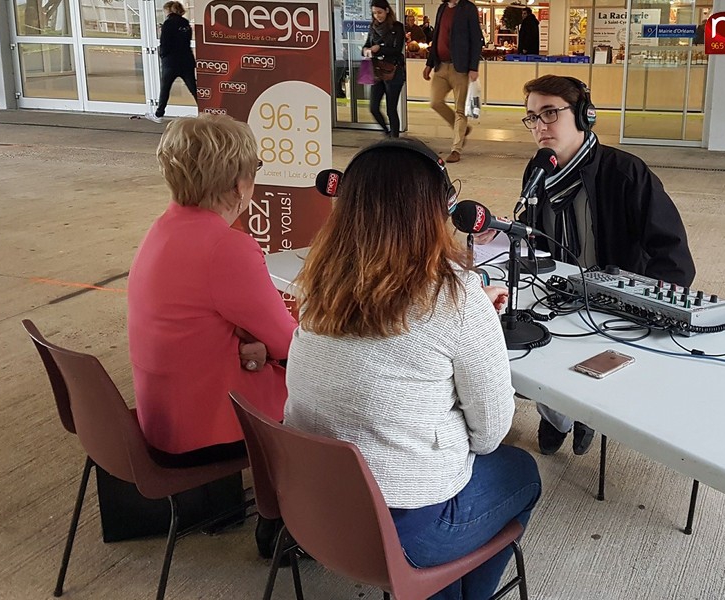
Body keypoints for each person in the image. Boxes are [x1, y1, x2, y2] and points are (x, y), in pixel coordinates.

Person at [284, 138, 541, 600]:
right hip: (405, 531)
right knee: (521, 470)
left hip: (315, 508)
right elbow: (490, 434)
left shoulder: (316, 281)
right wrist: (476, 322)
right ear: (437, 209)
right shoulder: (456, 298)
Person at [488, 75, 695, 456]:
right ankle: (557, 416)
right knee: (529, 350)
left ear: (585, 115)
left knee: (579, 369)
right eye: (532, 117)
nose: (539, 126)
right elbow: (536, 238)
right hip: (557, 295)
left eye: (550, 113)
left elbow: (674, 255)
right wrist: (504, 233)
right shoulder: (538, 172)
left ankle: (582, 416)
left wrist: (643, 308)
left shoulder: (625, 173)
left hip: (609, 306)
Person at [127, 114, 297, 552]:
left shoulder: (165, 227)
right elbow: (292, 345)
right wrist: (269, 344)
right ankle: (287, 524)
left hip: (164, 418)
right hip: (203, 430)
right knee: (335, 390)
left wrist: (254, 343)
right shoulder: (226, 247)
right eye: (255, 170)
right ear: (239, 185)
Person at [424, 0, 482, 163]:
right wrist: (429, 63)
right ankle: (463, 130)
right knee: (435, 102)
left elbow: (476, 39)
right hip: (441, 66)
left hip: (460, 68)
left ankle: (456, 149)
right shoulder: (442, 8)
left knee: (460, 110)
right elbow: (436, 37)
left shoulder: (468, 8)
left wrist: (473, 67)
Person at [145, 1, 196, 123]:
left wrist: (163, 55)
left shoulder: (168, 24)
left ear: (168, 10)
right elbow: (186, 41)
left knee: (165, 88)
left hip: (171, 62)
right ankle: (206, 111)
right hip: (186, 60)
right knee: (193, 88)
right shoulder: (185, 23)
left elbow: (165, 43)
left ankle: (159, 114)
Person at [363, 0, 406, 138]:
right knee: (373, 108)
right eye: (374, 13)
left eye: (380, 12)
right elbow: (367, 44)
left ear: (387, 10)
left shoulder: (397, 27)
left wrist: (379, 49)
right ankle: (387, 133)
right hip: (377, 71)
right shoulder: (372, 27)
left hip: (393, 71)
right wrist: (366, 50)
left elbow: (397, 49)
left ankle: (395, 139)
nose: (377, 16)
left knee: (391, 109)